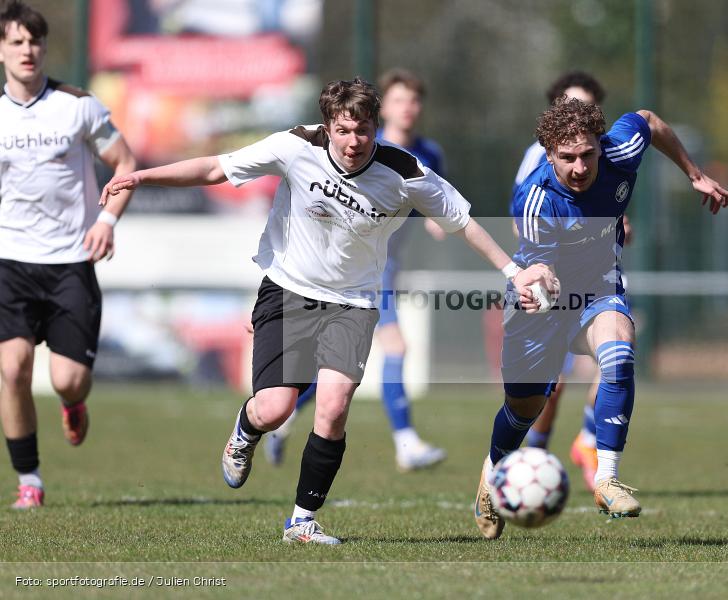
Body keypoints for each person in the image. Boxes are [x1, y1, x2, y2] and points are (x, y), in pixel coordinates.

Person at [101, 77, 555, 545]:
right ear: (328, 126)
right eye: (343, 130)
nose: (354, 141)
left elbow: (462, 223)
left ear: (375, 126)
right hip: (287, 291)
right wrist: (142, 177)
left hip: (354, 301)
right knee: (274, 409)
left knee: (333, 407)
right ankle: (246, 429)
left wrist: (513, 272)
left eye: (363, 130)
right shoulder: (295, 146)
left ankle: (302, 521)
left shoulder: (405, 170)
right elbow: (217, 168)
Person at [475, 97, 728, 539]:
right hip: (544, 300)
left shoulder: (621, 149)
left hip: (598, 287)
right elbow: (538, 272)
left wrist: (694, 174)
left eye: (587, 155)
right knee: (524, 409)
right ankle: (493, 472)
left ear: (601, 145)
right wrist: (542, 286)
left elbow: (649, 120)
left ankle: (607, 479)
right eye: (567, 157)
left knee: (619, 354)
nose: (580, 167)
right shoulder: (535, 200)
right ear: (548, 154)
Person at [264, 68, 449, 472]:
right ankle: (406, 443)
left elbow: (434, 202)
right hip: (358, 270)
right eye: (399, 100)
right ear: (385, 110)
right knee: (394, 348)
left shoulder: (428, 155)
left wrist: (438, 222)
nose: (408, 108)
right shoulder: (365, 149)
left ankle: (286, 416)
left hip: (390, 265)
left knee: (337, 373)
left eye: (414, 100)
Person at [0, 1, 137, 509]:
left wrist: (106, 221)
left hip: (69, 263)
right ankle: (30, 480)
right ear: (1, 50)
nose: (27, 50)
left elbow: (125, 162)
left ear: (44, 47)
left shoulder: (78, 106)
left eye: (34, 41)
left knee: (69, 380)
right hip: (10, 262)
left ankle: (73, 404)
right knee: (12, 369)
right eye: (16, 41)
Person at [511, 71, 632, 491]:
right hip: (549, 281)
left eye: (584, 105)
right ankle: (534, 456)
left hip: (597, 281)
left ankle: (589, 440)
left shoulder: (607, 151)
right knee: (549, 386)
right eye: (567, 104)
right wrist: (540, 272)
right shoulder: (536, 160)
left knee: (616, 353)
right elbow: (523, 219)